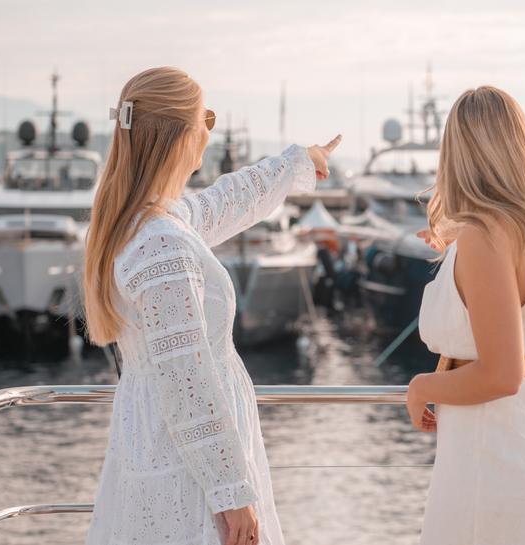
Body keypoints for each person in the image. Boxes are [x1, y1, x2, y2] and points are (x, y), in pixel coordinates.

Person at [81, 66, 340, 545]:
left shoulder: (148, 224)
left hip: (157, 445)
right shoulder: (162, 244)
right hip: (188, 468)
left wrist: (298, 162)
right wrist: (232, 494)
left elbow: (224, 202)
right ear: (181, 134)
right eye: (207, 119)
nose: (209, 131)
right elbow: (187, 381)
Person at [406, 86, 525, 545]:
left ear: (459, 152)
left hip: (490, 456)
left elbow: (501, 373)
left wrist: (422, 387)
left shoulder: (485, 237)